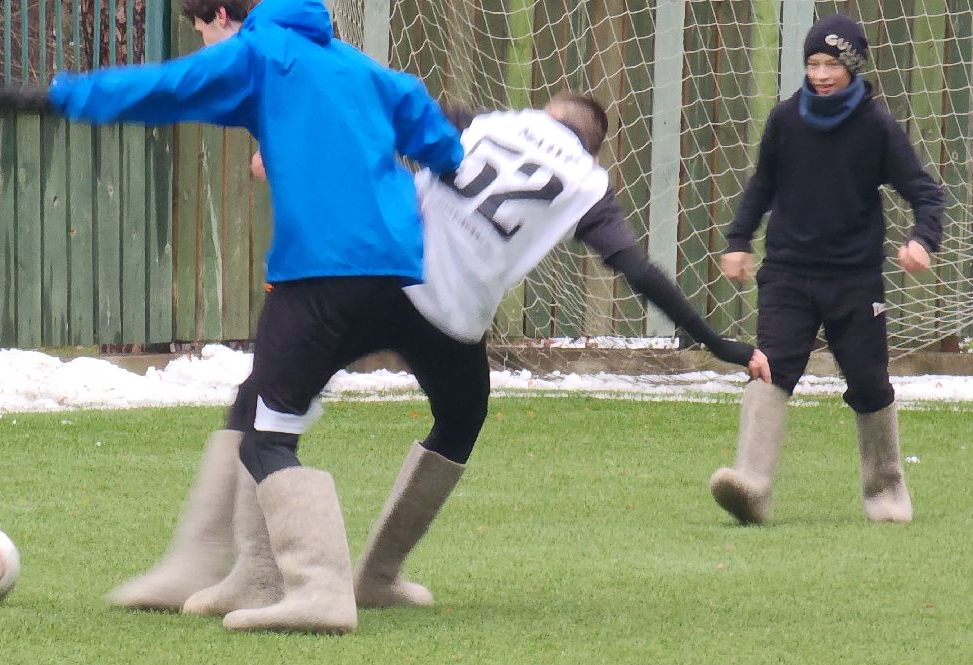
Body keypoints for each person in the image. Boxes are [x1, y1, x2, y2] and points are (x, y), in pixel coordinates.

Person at [136, 93, 770, 621]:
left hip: (376, 276)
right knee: (462, 419)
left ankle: (250, 572)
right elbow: (636, 269)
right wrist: (719, 343)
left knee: (269, 396)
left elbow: (378, 117)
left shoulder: (490, 123)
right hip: (448, 319)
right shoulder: (587, 182)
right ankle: (377, 576)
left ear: (546, 114)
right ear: (593, 147)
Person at [0, 0, 466, 636]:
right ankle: (249, 572)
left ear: (219, 18)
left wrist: (60, 96)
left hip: (323, 272)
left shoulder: (257, 52)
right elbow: (434, 132)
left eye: (202, 33)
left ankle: (317, 588)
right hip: (403, 276)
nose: (206, 48)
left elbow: (166, 87)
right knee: (260, 399)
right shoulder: (356, 64)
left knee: (267, 430)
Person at [709, 13, 944, 525]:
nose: (819, 74)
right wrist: (738, 241)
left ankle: (886, 493)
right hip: (788, 274)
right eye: (812, 63)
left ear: (853, 66)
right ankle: (751, 485)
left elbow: (926, 194)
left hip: (855, 279)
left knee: (869, 382)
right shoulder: (785, 120)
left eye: (831, 65)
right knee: (769, 368)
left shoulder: (877, 127)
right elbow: (761, 185)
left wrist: (922, 241)